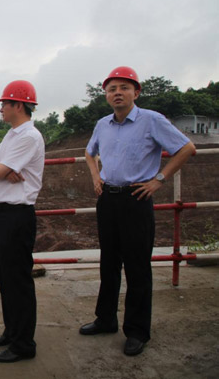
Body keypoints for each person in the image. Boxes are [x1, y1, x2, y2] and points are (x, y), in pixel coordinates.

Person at [80, 66, 196, 356]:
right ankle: (105, 319)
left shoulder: (152, 120)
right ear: (106, 95)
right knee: (109, 263)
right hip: (108, 199)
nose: (117, 93)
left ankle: (137, 331)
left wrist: (159, 180)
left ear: (136, 92)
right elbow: (89, 152)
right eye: (112, 89)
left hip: (136, 198)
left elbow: (186, 148)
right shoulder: (102, 124)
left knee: (137, 266)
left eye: (124, 87)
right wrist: (96, 176)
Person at [0, 80, 45, 363]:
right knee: (5, 278)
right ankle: (12, 331)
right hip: (2, 214)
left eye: (4, 104)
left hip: (17, 216)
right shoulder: (12, 135)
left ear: (18, 105)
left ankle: (23, 344)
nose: (1, 109)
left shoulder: (29, 137)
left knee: (18, 281)